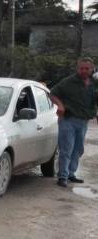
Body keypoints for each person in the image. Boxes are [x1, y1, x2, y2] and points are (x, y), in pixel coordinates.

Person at [49, 57, 98, 187]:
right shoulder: (68, 82)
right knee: (66, 149)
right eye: (81, 68)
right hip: (68, 120)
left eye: (87, 68)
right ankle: (62, 176)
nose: (84, 71)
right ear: (78, 68)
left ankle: (71, 173)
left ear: (92, 69)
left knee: (78, 149)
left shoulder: (94, 83)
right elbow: (52, 93)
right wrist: (60, 105)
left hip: (84, 121)